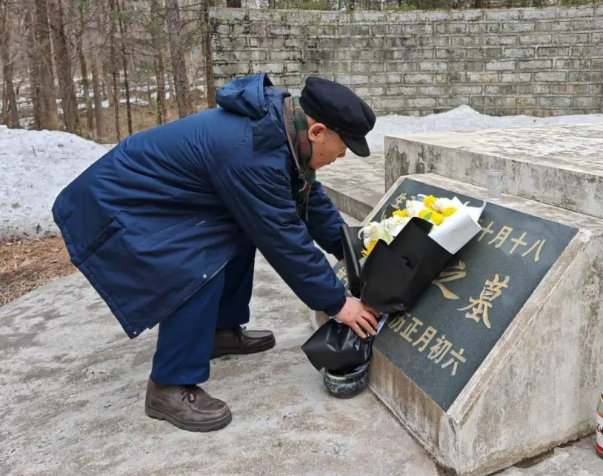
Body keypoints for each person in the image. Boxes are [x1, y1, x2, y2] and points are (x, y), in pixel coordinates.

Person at [52, 73, 380, 432]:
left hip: (162, 198)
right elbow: (282, 236)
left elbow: (306, 197)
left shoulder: (281, 132)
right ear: (317, 132)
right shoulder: (251, 149)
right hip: (122, 203)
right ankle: (169, 385)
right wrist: (337, 303)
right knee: (195, 265)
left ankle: (218, 332)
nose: (342, 156)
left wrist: (352, 252)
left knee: (238, 231)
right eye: (342, 147)